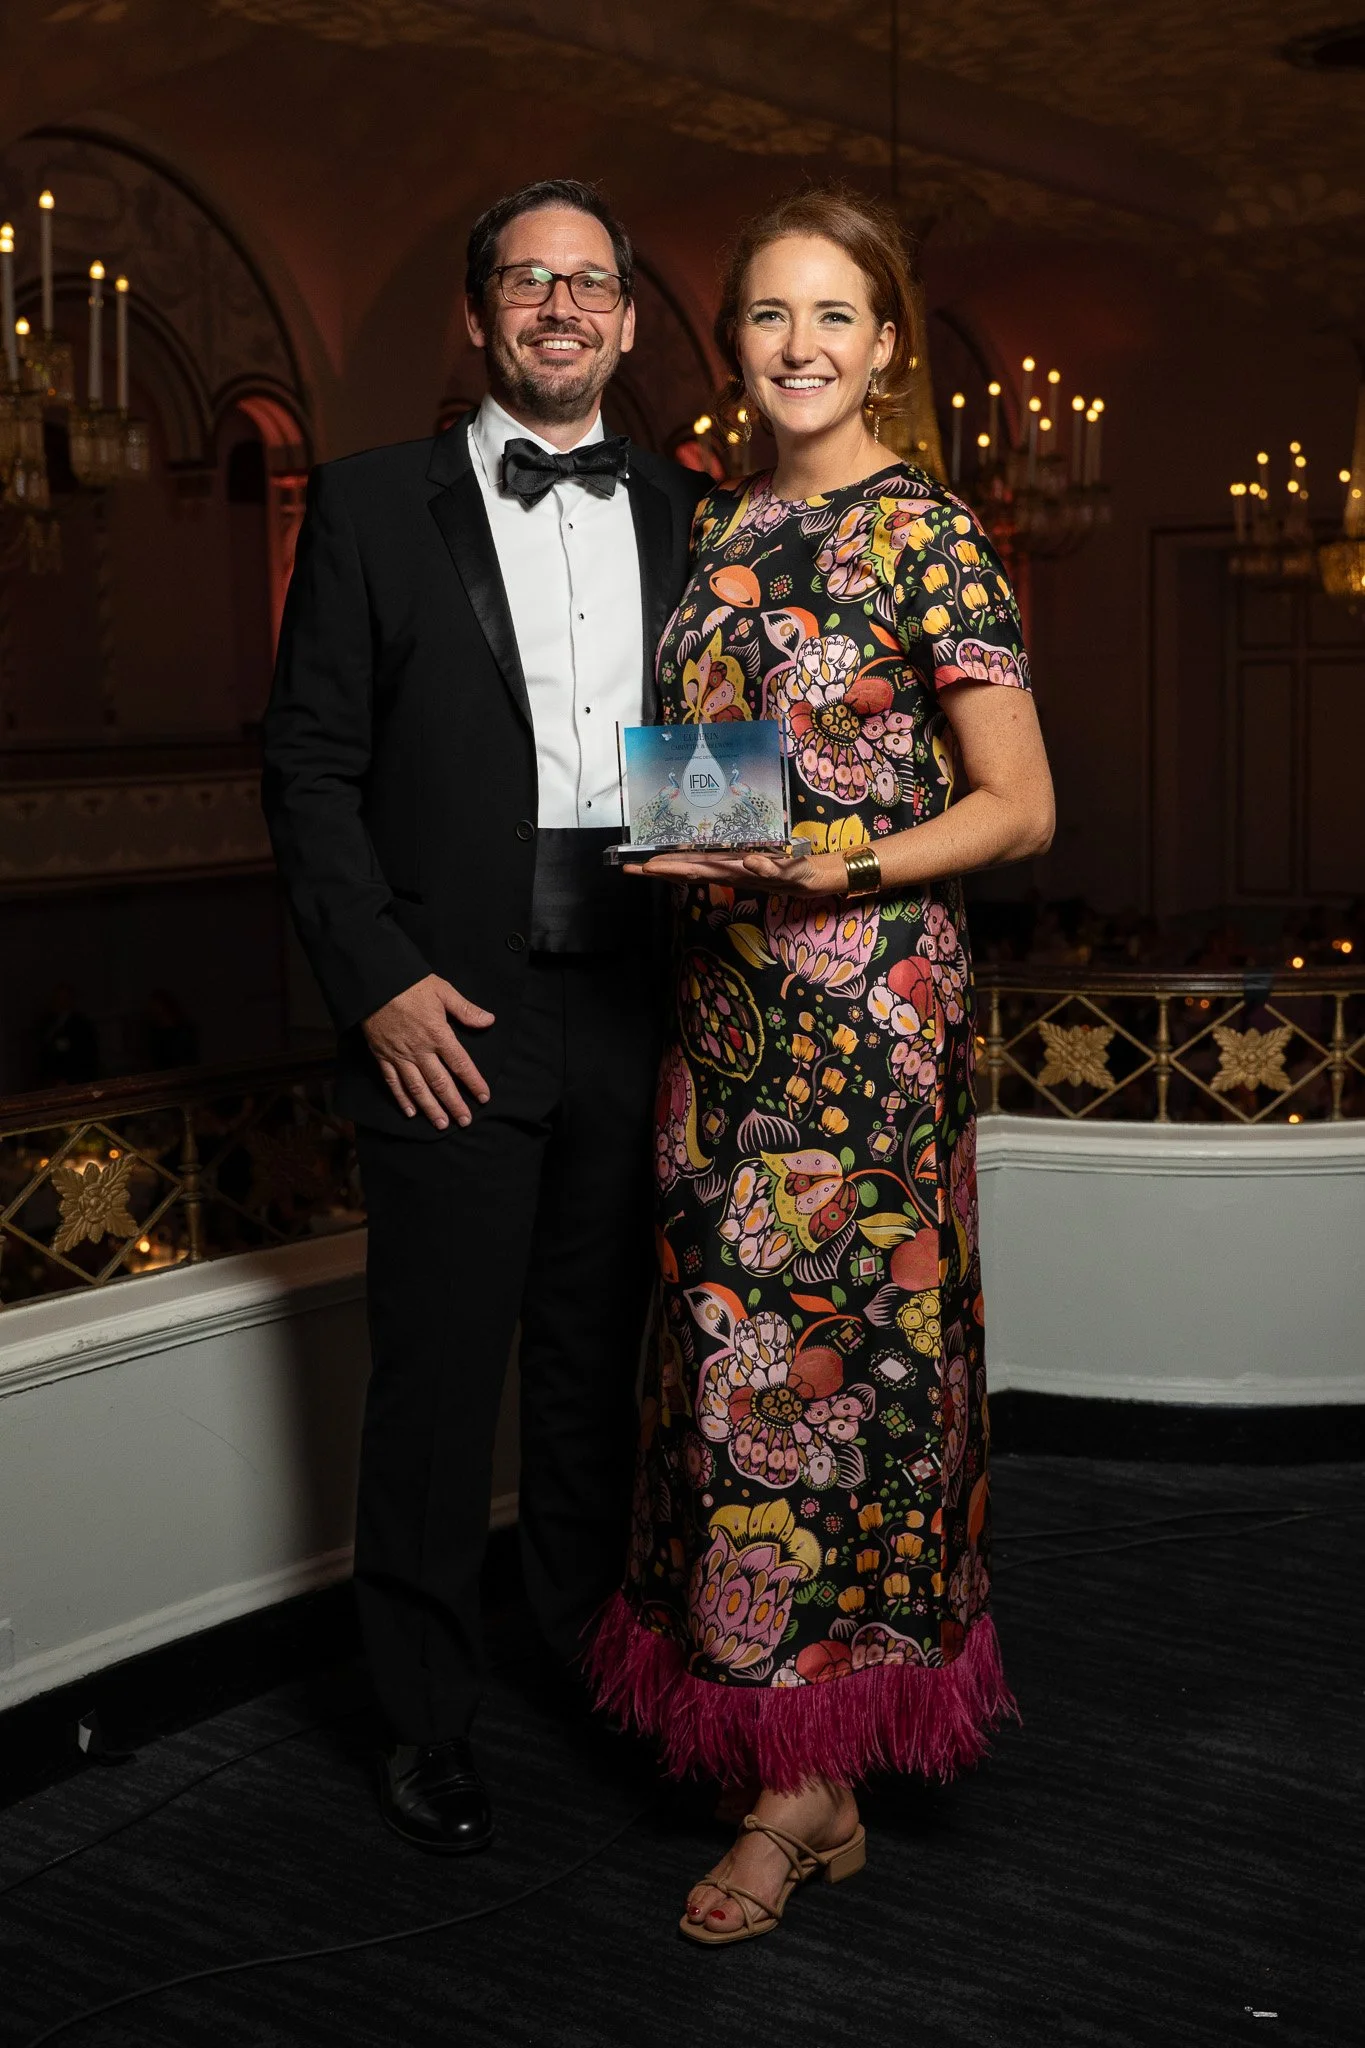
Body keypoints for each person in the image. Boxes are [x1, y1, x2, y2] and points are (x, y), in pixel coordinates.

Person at [586, 186, 1056, 1943]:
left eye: (834, 314)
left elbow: (1022, 807)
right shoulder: (714, 528)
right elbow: (717, 774)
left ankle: (796, 1793)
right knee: (724, 1377)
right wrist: (687, 843)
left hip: (868, 1032)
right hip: (720, 1025)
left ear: (886, 344)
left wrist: (836, 867)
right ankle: (800, 1756)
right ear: (736, 344)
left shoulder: (929, 533)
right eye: (770, 315)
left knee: (840, 1380)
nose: (800, 346)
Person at [262, 178, 705, 1854]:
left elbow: (719, 753)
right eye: (529, 281)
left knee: (596, 1370)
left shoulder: (694, 512)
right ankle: (425, 1721)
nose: (560, 307)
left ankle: (594, 1671)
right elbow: (308, 768)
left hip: (638, 1001)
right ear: (478, 314)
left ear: (630, 322)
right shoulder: (372, 504)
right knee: (442, 1385)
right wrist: (377, 980)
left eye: (590, 283)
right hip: (449, 1008)